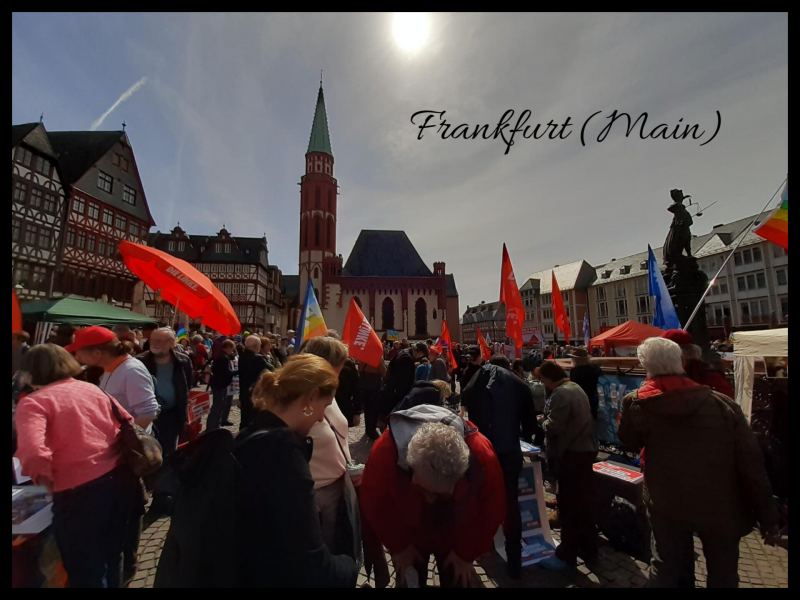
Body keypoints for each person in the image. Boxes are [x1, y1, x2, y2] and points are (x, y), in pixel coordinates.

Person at [619, 337, 779, 589]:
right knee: (723, 574)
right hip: (720, 505)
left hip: (666, 502)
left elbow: (628, 442)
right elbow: (751, 463)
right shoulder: (723, 404)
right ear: (681, 361)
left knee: (666, 568)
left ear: (644, 365)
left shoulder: (637, 403)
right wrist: (768, 517)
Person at [14, 344, 138, 588]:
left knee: (85, 569)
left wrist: (46, 483)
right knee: (112, 556)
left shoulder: (34, 403)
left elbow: (33, 453)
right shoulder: (92, 389)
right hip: (120, 481)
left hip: (79, 493)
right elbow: (128, 421)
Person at [232, 355, 359, 588]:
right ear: (310, 399)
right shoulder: (283, 452)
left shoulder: (249, 435)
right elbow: (311, 565)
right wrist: (351, 564)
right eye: (325, 407)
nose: (322, 416)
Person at [360, 407, 506, 588]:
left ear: (462, 473)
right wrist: (399, 546)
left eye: (439, 494)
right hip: (408, 530)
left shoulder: (481, 455)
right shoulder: (386, 451)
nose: (430, 500)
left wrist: (466, 553)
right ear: (409, 463)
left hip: (455, 531)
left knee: (459, 579)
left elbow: (492, 508)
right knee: (408, 581)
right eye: (423, 490)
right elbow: (373, 501)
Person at [67, 326, 160, 585]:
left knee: (129, 511)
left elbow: (149, 411)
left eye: (78, 352)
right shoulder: (111, 369)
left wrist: (124, 443)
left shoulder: (130, 370)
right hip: (115, 455)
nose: (76, 357)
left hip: (127, 456)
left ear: (97, 352)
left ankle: (127, 569)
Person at [462, 360, 536, 579]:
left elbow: (465, 401)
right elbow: (530, 425)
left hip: (483, 451)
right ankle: (514, 559)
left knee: (477, 498)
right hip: (508, 452)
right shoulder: (519, 384)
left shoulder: (477, 379)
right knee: (511, 505)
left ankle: (481, 548)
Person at [298, 337, 361, 563]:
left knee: (340, 549)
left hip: (339, 486)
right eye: (339, 365)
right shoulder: (298, 398)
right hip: (316, 495)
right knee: (322, 558)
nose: (342, 370)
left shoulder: (328, 392)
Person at [536, 361, 599, 571]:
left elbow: (555, 426)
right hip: (584, 450)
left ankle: (567, 552)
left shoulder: (562, 393)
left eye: (543, 379)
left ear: (548, 378)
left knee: (569, 505)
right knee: (584, 502)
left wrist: (542, 421)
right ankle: (589, 547)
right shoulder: (575, 387)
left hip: (571, 453)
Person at [137, 328, 193, 456]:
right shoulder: (140, 361)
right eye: (154, 340)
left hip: (172, 415)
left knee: (169, 453)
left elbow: (187, 386)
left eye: (161, 341)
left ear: (172, 343)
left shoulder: (183, 361)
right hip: (147, 415)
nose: (156, 344)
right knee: (148, 453)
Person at [661, 329, 735, 398]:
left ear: (690, 352)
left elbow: (727, 403)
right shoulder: (659, 375)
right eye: (662, 353)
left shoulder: (709, 376)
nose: (666, 356)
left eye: (670, 352)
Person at [385, 342, 429, 418]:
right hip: (398, 394)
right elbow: (403, 380)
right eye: (422, 355)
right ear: (420, 353)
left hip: (393, 390)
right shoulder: (406, 358)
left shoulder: (403, 352)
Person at [238, 336, 272, 431]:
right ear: (257, 346)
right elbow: (271, 368)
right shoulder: (258, 358)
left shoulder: (242, 356)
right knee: (253, 417)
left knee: (244, 417)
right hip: (255, 392)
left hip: (244, 391)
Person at [207, 339, 237, 431]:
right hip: (219, 383)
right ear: (228, 347)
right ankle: (212, 426)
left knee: (220, 405)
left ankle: (216, 424)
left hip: (220, 383)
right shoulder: (223, 357)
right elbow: (226, 372)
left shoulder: (221, 355)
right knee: (217, 406)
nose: (232, 351)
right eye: (232, 348)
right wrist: (238, 371)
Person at [568, 348, 603, 420]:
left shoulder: (576, 371)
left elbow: (574, 385)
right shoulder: (594, 368)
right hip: (593, 397)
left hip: (580, 399)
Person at [359, 360, 387, 441]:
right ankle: (372, 431)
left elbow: (360, 369)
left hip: (364, 385)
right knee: (373, 410)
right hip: (375, 386)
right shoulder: (378, 358)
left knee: (367, 409)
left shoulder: (364, 358)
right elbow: (383, 372)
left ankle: (368, 429)